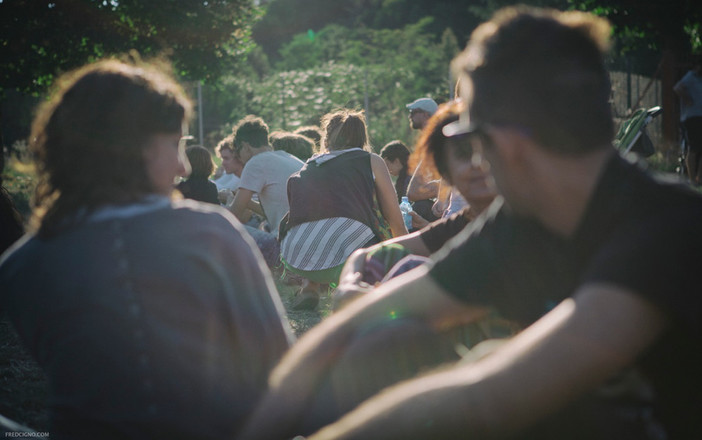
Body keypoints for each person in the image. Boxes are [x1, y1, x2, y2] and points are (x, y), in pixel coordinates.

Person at [238, 6, 702, 440]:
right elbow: (352, 330)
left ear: (507, 142)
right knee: (389, 339)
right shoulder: (525, 221)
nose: (473, 162)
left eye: (469, 139)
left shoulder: (666, 232)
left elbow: (489, 397)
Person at [0, 58, 293, 439]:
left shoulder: (21, 266)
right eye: (175, 146)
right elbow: (280, 367)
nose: (184, 168)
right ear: (129, 149)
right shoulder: (211, 232)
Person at [279, 110, 408, 310]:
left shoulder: (312, 163)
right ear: (361, 136)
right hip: (345, 253)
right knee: (358, 230)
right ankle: (349, 287)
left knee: (327, 222)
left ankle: (309, 288)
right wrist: (406, 257)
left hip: (296, 255)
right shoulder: (370, 160)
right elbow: (395, 218)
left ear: (327, 136)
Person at [228, 115, 304, 269]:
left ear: (245, 146)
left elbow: (233, 215)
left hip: (284, 250)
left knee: (221, 228)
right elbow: (280, 208)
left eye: (238, 151)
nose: (239, 158)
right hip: (304, 246)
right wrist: (248, 203)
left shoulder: (256, 162)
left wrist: (227, 200)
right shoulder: (290, 158)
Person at [674, 55, 702, 185]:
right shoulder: (691, 76)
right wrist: (687, 99)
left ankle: (699, 178)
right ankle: (692, 180)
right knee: (694, 148)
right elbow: (678, 88)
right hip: (692, 117)